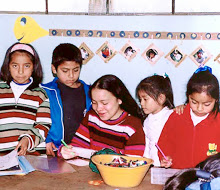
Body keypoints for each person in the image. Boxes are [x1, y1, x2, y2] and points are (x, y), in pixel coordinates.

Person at [58, 74, 145, 159]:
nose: (98, 108)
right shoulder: (91, 117)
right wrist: (66, 151)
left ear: (119, 99)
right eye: (94, 102)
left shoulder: (133, 126)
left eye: (104, 103)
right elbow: (77, 147)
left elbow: (133, 162)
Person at [158, 66, 220, 169]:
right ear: (188, 97)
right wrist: (165, 157)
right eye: (194, 102)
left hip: (208, 177)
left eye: (207, 104)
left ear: (216, 100)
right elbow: (164, 142)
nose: (199, 108)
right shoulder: (177, 116)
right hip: (179, 173)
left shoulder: (218, 121)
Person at [0, 42, 51, 156]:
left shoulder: (41, 95)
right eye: (15, 65)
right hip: (2, 156)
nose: (21, 71)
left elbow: (43, 125)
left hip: (32, 155)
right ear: (8, 66)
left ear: (34, 67)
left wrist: (27, 140)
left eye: (26, 66)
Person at [41, 43, 91, 157]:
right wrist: (46, 140)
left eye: (76, 70)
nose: (71, 75)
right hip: (55, 149)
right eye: (65, 71)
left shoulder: (89, 91)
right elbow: (39, 119)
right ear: (54, 69)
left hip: (82, 149)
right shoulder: (46, 92)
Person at [136, 74, 174, 166]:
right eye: (140, 99)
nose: (141, 103)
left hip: (169, 165)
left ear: (161, 98)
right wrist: (145, 162)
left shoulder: (171, 116)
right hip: (153, 166)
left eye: (145, 99)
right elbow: (147, 144)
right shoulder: (147, 121)